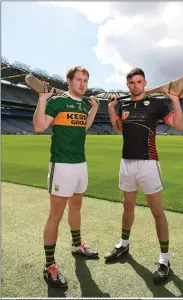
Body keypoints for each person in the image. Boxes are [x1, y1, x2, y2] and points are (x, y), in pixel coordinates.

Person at [105, 68, 183, 284]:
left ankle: (164, 260)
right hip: (126, 163)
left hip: (148, 164)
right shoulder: (124, 104)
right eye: (131, 82)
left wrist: (175, 100)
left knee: (157, 212)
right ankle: (123, 244)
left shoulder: (157, 104)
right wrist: (112, 109)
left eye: (139, 82)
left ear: (145, 83)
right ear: (127, 84)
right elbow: (119, 129)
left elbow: (178, 125)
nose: (135, 85)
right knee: (127, 207)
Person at [33, 66, 99, 289]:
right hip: (61, 165)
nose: (83, 84)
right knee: (56, 214)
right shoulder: (57, 102)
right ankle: (49, 265)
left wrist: (94, 110)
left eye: (86, 80)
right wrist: (43, 99)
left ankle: (77, 245)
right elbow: (40, 126)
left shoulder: (82, 105)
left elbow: (84, 127)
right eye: (79, 80)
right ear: (69, 81)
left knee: (77, 206)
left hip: (81, 165)